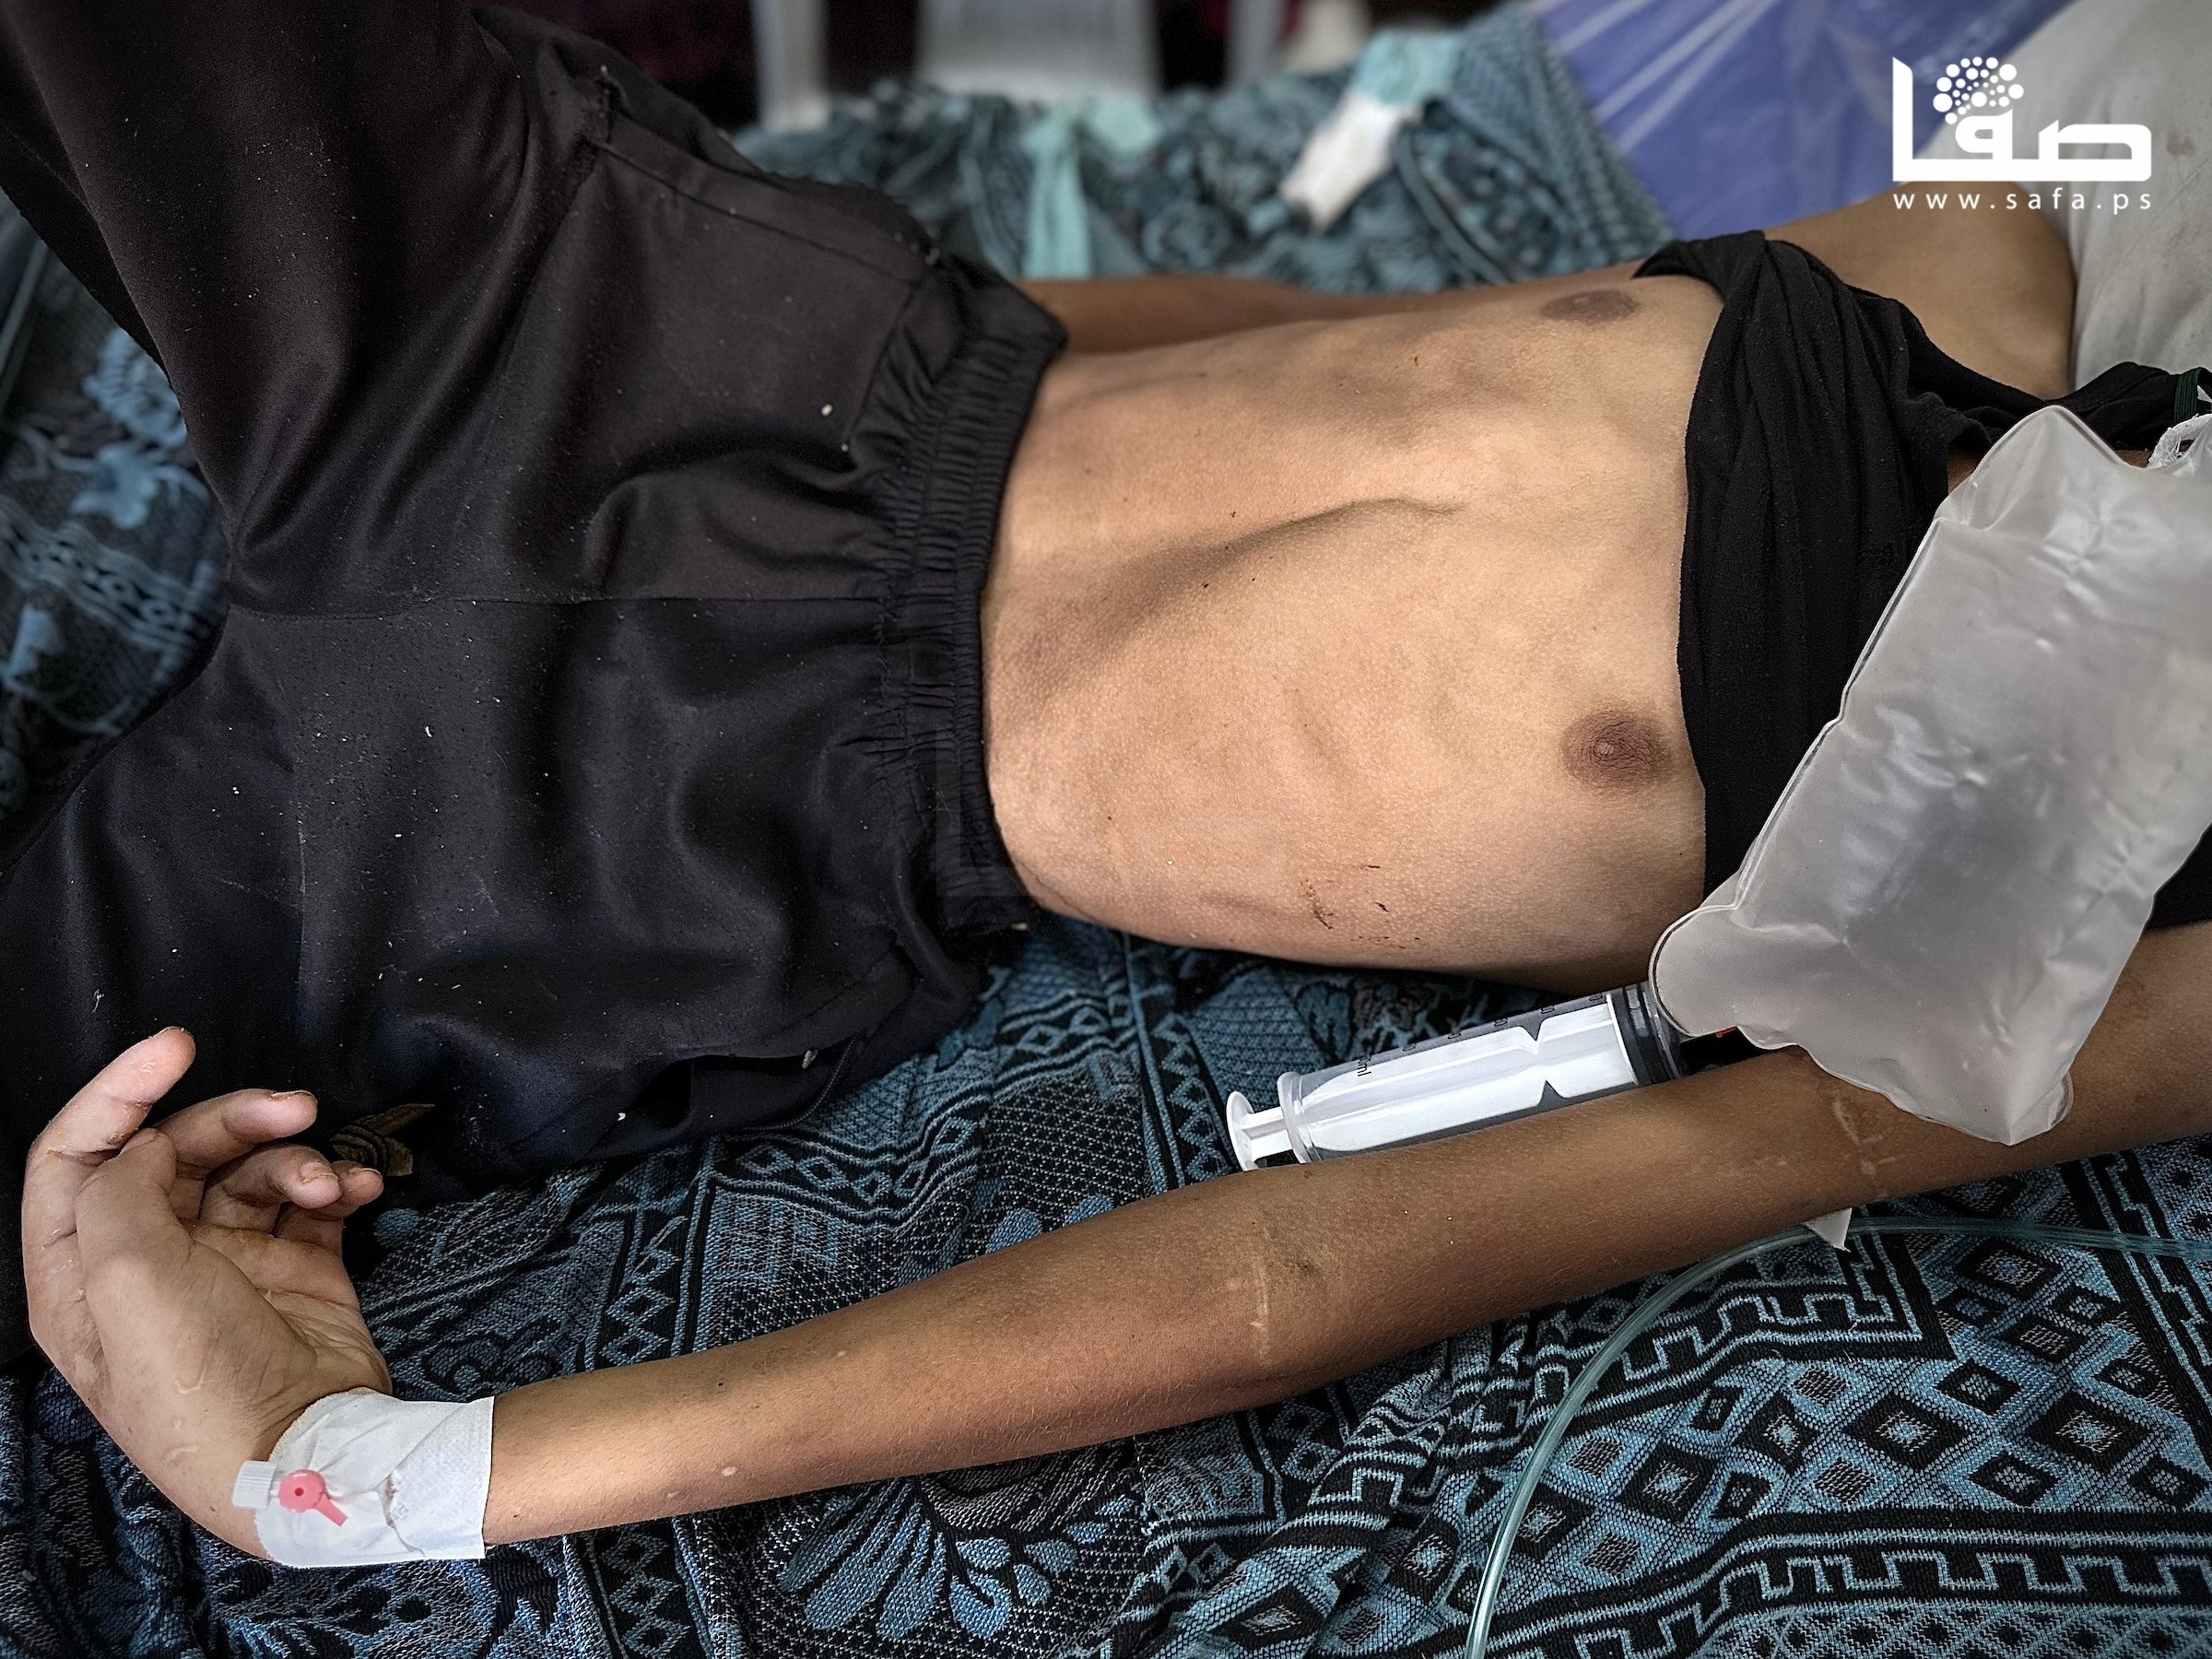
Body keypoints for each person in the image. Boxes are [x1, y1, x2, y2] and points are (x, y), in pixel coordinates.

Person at [7, 0, 2212, 1558]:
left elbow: (1323, 1264)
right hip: (689, 348)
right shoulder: (2020, 244)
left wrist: (371, 1486)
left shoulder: (2124, 924)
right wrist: (911, 316)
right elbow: (1939, 122)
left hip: (660, 805)